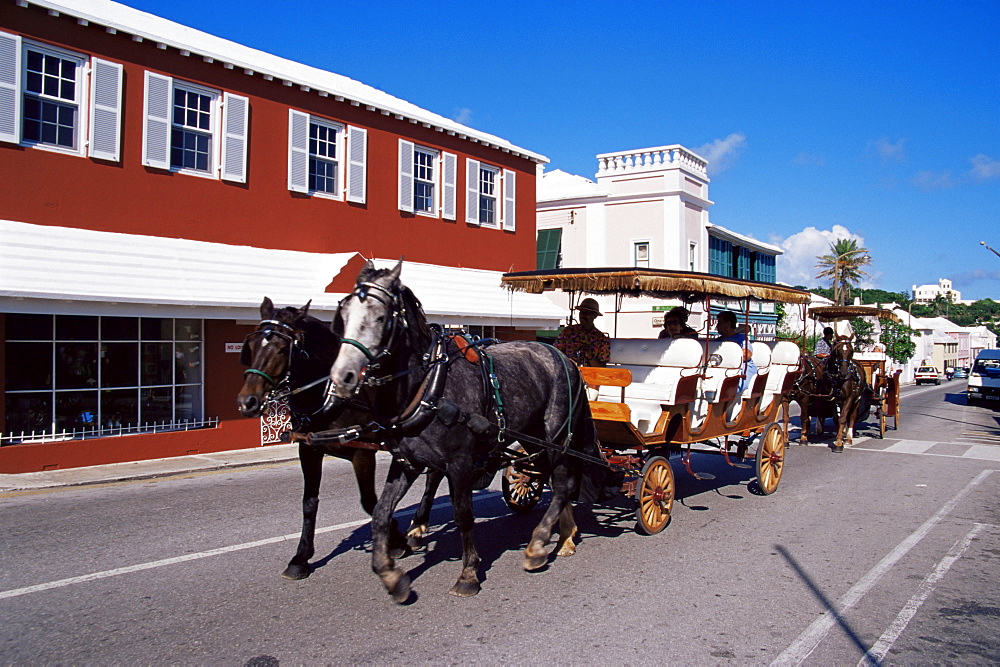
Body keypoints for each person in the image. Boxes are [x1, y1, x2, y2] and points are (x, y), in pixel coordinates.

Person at [554, 297, 610, 366]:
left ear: (595, 316)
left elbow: (602, 368)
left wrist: (590, 356)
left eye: (587, 313)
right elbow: (555, 353)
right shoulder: (567, 332)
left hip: (590, 374)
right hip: (568, 372)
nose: (583, 315)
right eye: (582, 312)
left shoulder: (602, 339)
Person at [715, 310, 756, 394]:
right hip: (723, 370)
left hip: (741, 370)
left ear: (728, 324)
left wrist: (727, 356)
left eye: (719, 323)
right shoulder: (718, 341)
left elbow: (747, 354)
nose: (717, 327)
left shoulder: (741, 339)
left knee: (730, 389)